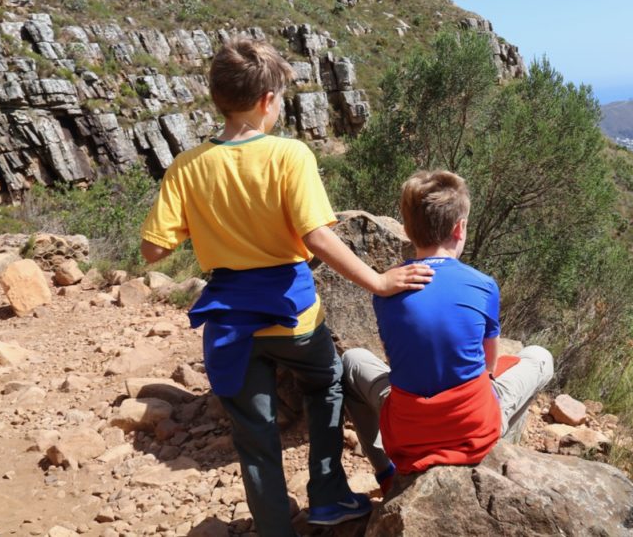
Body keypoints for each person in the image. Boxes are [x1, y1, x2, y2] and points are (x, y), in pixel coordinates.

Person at [139, 38, 433, 536]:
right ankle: (327, 496)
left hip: (229, 324)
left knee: (253, 437)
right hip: (291, 314)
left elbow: (152, 251)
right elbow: (317, 236)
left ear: (218, 98)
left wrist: (206, 221)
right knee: (328, 382)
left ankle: (275, 529)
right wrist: (380, 282)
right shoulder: (288, 155)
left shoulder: (187, 166)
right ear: (267, 101)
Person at [342, 170, 554, 495]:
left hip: (408, 436)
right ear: (460, 228)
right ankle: (500, 451)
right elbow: (488, 367)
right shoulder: (483, 285)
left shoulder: (385, 287)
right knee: (539, 357)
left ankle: (386, 473)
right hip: (472, 429)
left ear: (408, 230)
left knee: (353, 360)